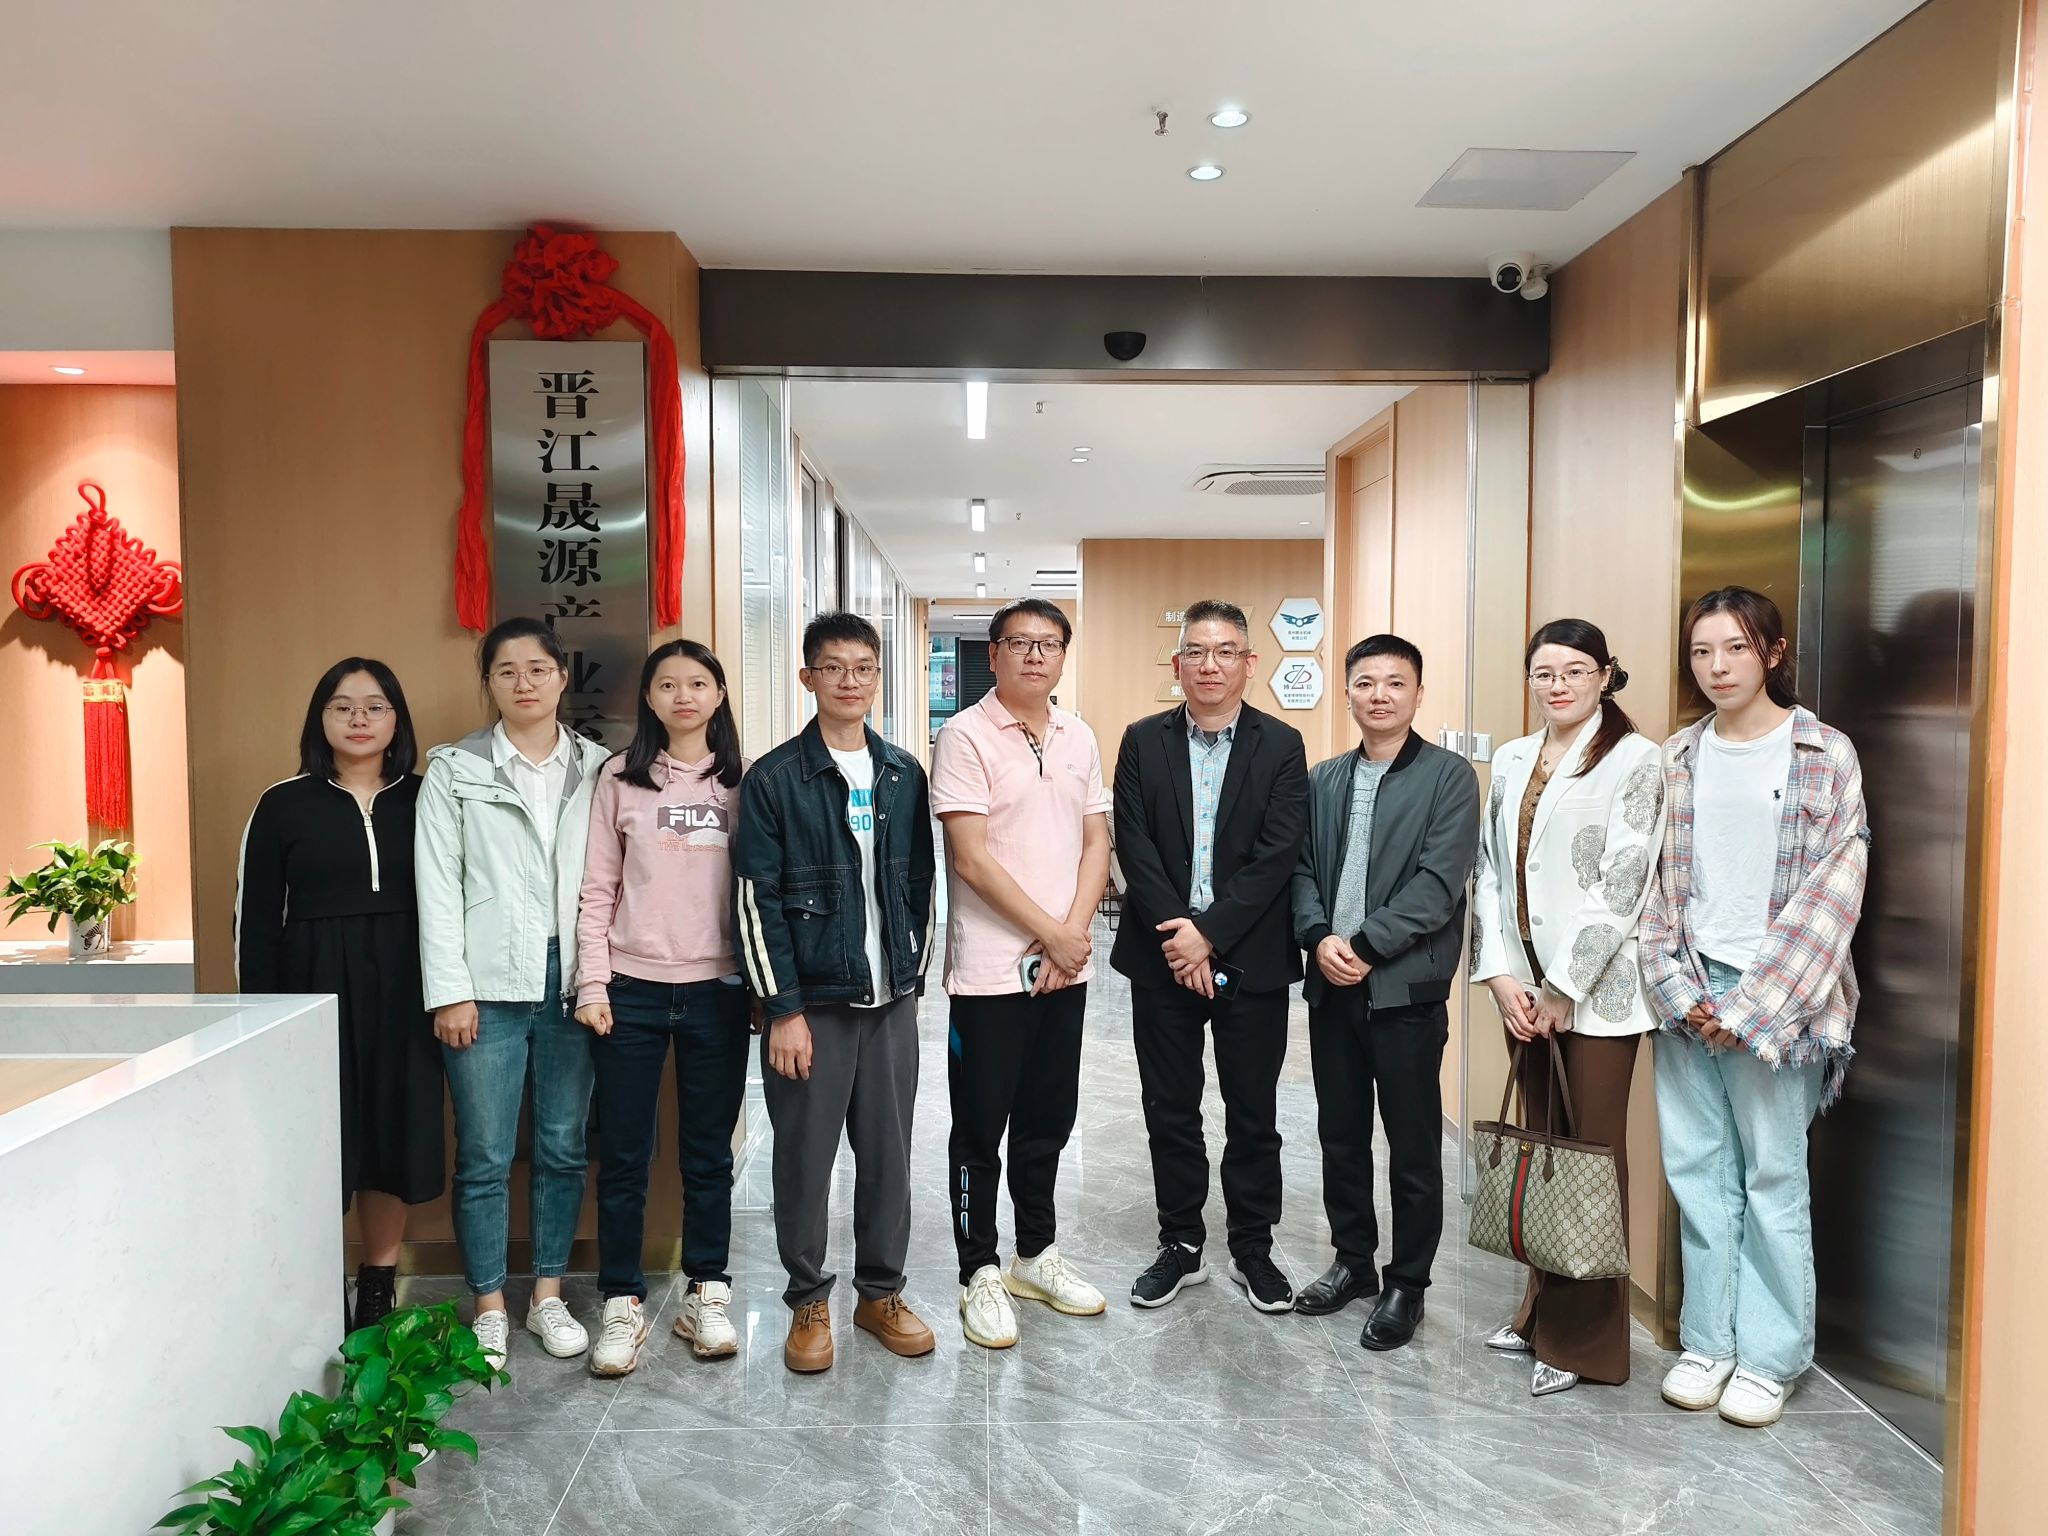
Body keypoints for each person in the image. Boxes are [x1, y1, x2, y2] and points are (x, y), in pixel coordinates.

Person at [1639, 586, 1868, 1429]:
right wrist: (1681, 992)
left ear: (1772, 653)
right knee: (1698, 1173)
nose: (1717, 666)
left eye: (1735, 648)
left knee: (1773, 1176)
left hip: (1782, 997)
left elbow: (1837, 886)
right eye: (1702, 651)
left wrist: (1754, 1008)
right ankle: (1708, 1342)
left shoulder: (1824, 752)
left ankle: (1770, 1358)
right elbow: (1651, 888)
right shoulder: (1676, 755)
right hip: (1689, 990)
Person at [732, 611, 938, 1373]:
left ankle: (881, 1294)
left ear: (879, 677)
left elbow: (919, 885)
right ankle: (808, 1300)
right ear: (808, 677)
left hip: (890, 1003)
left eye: (864, 668)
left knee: (889, 1158)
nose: (850, 681)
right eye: (834, 667)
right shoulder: (774, 778)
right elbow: (756, 902)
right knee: (805, 1160)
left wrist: (910, 975)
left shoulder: (902, 773)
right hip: (812, 1007)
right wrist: (782, 1008)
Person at [1469, 619, 1665, 1394]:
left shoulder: (1636, 759)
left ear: (1606, 675)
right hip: (1523, 988)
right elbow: (1489, 870)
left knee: (1589, 1156)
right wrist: (1500, 976)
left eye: (1576, 670)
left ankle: (1584, 1345)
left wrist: (1563, 989)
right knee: (1543, 1151)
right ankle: (1537, 1313)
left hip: (1595, 996)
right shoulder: (1515, 757)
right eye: (1544, 672)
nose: (1558, 685)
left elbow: (1625, 880)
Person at [416, 616, 611, 1369]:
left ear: (562, 677)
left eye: (538, 669)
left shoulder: (598, 768)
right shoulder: (454, 770)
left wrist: (596, 977)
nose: (524, 683)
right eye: (506, 671)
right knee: (485, 1153)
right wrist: (449, 992)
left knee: (563, 1147)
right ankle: (491, 1304)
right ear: (489, 683)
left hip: (571, 982)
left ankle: (548, 1295)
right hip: (486, 985)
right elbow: (437, 887)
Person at [1111, 599, 1309, 1314]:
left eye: (1225, 651)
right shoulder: (1142, 741)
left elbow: (1277, 854)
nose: (1210, 664)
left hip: (1251, 958)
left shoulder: (1282, 745)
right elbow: (1134, 843)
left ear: (1249, 663)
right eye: (1196, 650)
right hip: (1161, 957)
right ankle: (1182, 1243)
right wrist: (1181, 936)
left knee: (1252, 1111)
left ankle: (1252, 1246)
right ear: (1178, 663)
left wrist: (1210, 934)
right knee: (1170, 1107)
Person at [237, 658, 442, 1333]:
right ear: (319, 718)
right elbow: (255, 921)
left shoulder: (430, 797)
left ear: (397, 720)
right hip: (313, 986)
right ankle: (313, 1279)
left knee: (392, 1131)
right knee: (321, 1133)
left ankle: (378, 1283)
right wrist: (262, 1020)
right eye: (342, 706)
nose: (359, 719)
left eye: (375, 706)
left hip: (410, 985)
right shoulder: (282, 803)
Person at [1290, 634, 1479, 1350]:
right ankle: (1353, 1263)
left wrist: (1364, 948)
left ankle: (1408, 1283)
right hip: (1331, 984)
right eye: (1366, 682)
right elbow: (1301, 870)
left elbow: (1439, 884)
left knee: (1412, 1145)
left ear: (1418, 694)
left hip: (1404, 990)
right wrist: (1318, 938)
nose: (1379, 695)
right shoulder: (1324, 778)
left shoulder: (1449, 777)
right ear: (1348, 693)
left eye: (1395, 683)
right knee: (1340, 1134)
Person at [931, 598, 1111, 1350]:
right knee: (980, 1127)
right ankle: (978, 1270)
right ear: (994, 655)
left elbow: (1097, 842)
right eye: (1020, 643)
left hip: (1062, 972)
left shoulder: (1080, 735)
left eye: (1049, 644)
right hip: (990, 976)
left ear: (1064, 656)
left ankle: (1034, 1256)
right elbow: (971, 859)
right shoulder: (964, 736)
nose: (1035, 655)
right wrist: (1054, 935)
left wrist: (1071, 937)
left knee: (1048, 1121)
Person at [574, 641, 752, 1377]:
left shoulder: (744, 781)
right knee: (624, 1155)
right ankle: (622, 1300)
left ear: (718, 695)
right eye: (669, 684)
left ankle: (707, 1292)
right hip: (631, 990)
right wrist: (592, 984)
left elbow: (762, 893)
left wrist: (764, 990)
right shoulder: (619, 777)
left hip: (720, 990)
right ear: (648, 697)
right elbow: (596, 889)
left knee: (709, 1155)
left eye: (698, 683)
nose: (684, 695)